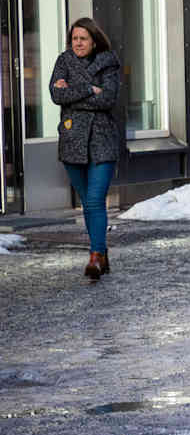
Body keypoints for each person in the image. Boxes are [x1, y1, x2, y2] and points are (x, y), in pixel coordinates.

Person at [50, 18, 122, 281]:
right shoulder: (63, 61)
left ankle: (94, 256)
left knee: (94, 200)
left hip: (102, 140)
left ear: (94, 41)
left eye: (83, 38)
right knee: (88, 205)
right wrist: (89, 89)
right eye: (74, 38)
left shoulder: (108, 62)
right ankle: (101, 252)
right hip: (72, 142)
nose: (78, 43)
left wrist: (73, 92)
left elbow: (108, 99)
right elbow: (56, 95)